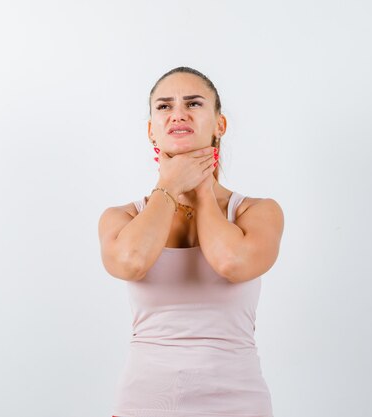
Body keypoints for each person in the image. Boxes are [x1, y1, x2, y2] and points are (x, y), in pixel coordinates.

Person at [98, 66, 285, 417]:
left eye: (194, 104)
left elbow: (233, 262)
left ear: (220, 125)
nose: (178, 114)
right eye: (164, 106)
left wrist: (200, 187)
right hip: (143, 403)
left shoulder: (258, 212)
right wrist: (168, 187)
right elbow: (130, 261)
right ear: (151, 131)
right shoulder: (121, 216)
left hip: (237, 403)